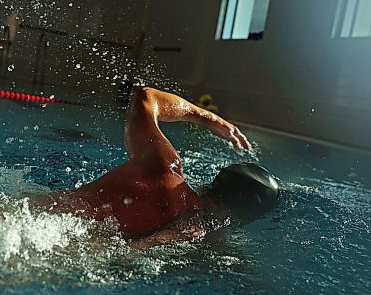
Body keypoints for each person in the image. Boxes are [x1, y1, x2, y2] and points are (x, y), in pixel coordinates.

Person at [31, 87, 279, 244]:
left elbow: (144, 97)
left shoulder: (163, 166)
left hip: (25, 212)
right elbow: (126, 257)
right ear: (236, 220)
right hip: (52, 247)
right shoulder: (189, 234)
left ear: (210, 186)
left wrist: (210, 119)